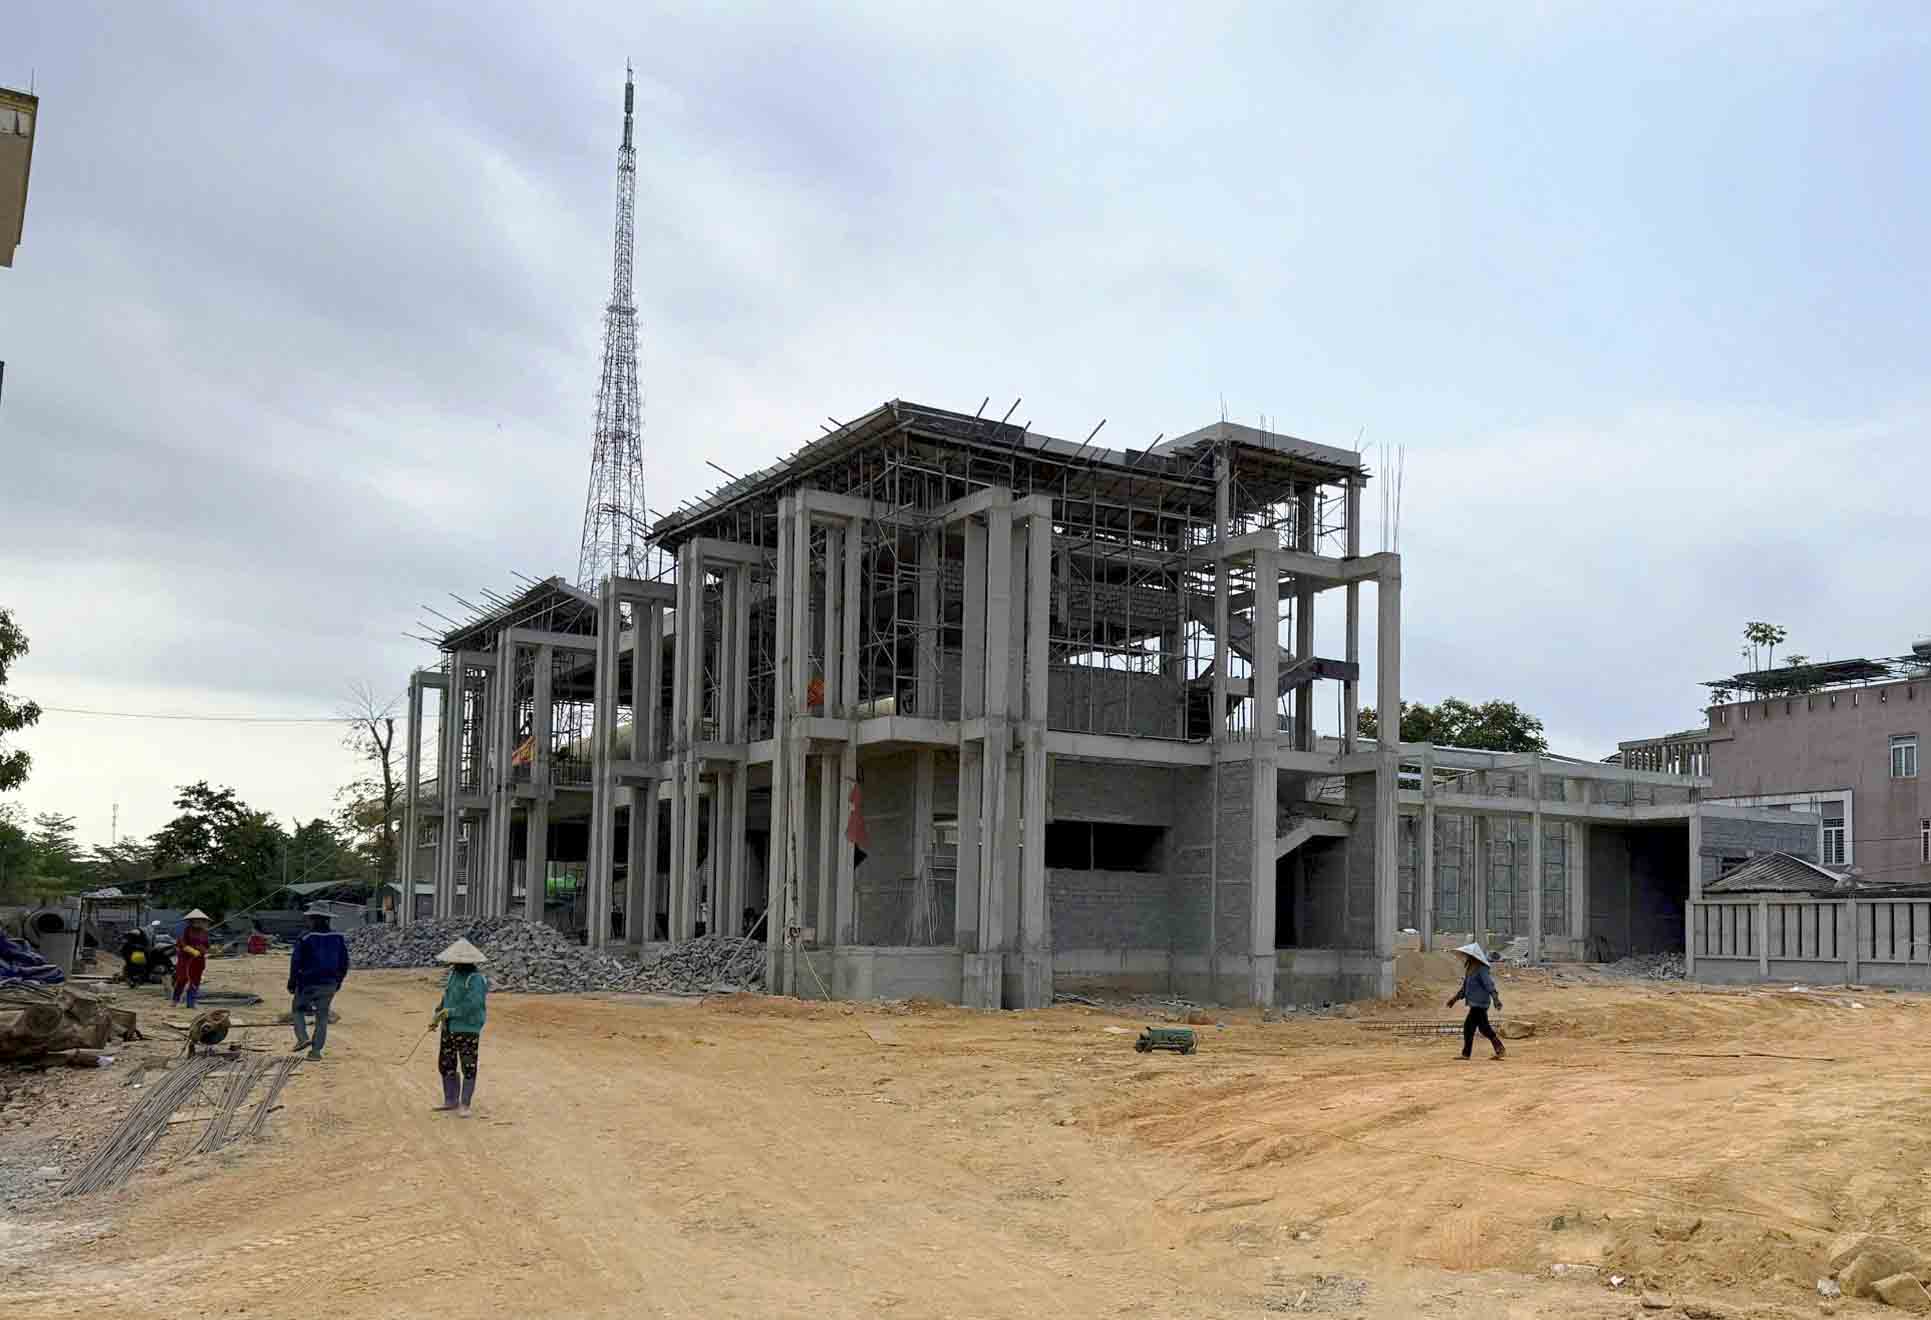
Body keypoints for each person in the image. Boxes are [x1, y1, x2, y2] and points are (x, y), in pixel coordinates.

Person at [430, 938, 489, 1118]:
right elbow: (446, 997)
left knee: (468, 1065)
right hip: (449, 1026)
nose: (453, 964)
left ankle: (465, 1103)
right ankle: (450, 1100)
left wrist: (450, 1012)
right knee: (446, 1062)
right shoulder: (453, 975)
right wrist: (438, 1014)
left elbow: (474, 1005)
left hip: (467, 1028)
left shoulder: (476, 979)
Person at [288, 906, 350, 1060]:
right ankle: (315, 1053)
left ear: (314, 919)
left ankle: (302, 1038)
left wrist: (292, 981)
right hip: (330, 982)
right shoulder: (338, 937)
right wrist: (338, 981)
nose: (307, 921)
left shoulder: (305, 937)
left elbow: (296, 961)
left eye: (309, 918)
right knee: (322, 1016)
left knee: (298, 1009)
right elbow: (344, 962)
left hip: (307, 982)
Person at [1447, 942, 1505, 1060]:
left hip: (1480, 1004)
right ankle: (1497, 1048)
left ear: (1474, 956)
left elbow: (1489, 984)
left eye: (1468, 955)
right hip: (1474, 1003)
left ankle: (1468, 1053)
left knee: (1472, 1027)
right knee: (1480, 1027)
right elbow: (1465, 988)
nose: (1466, 958)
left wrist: (1496, 999)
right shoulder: (1470, 969)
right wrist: (1455, 999)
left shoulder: (1481, 968)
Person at [170, 909, 213, 1008]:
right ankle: (175, 1000)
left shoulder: (204, 932)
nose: (198, 922)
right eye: (196, 920)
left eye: (200, 920)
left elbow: (206, 946)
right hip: (185, 959)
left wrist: (208, 950)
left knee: (195, 980)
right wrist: (190, 950)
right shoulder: (185, 930)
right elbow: (181, 943)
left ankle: (191, 1003)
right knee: (182, 978)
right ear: (191, 921)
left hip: (198, 960)